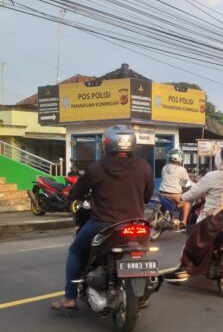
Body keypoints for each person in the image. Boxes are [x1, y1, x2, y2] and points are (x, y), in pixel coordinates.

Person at [51, 125, 153, 311]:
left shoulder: (96, 168)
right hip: (136, 224)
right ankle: (143, 293)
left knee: (76, 251)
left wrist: (69, 195)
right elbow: (147, 197)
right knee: (142, 251)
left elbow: (77, 191)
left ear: (107, 144)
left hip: (102, 224)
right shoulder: (144, 166)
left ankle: (70, 297)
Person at [164, 147, 223, 282]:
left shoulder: (213, 176)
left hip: (214, 214)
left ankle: (185, 267)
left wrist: (182, 199)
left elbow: (194, 193)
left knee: (192, 239)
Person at [159, 149, 191, 228]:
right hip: (174, 195)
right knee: (187, 201)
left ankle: (173, 216)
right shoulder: (181, 169)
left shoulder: (164, 167)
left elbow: (164, 178)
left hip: (162, 192)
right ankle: (184, 222)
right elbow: (186, 185)